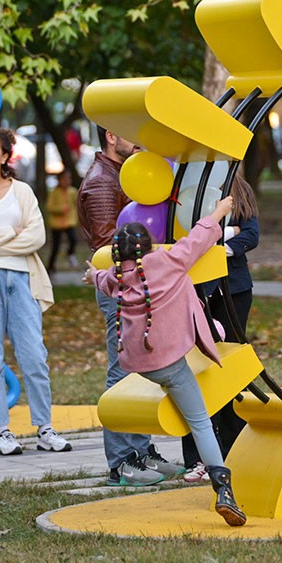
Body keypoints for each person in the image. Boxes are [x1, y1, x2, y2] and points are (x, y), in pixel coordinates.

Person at [91, 197, 247, 527]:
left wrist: (92, 273)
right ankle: (224, 490)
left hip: (140, 365)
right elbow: (199, 238)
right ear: (150, 248)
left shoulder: (117, 278)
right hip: (171, 364)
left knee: (176, 386)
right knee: (200, 421)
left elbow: (101, 279)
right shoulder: (167, 262)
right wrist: (219, 210)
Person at [0, 126, 71, 456]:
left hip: (23, 282)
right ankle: (2, 432)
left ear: (6, 155)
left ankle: (45, 427)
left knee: (34, 356)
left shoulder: (22, 192)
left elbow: (36, 237)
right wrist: (9, 232)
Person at [77, 126, 175, 485]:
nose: (138, 138)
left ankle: (141, 451)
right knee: (122, 373)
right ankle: (121, 461)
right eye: (128, 132)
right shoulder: (103, 182)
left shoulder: (127, 173)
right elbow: (107, 245)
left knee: (140, 370)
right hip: (119, 286)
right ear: (111, 137)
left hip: (135, 284)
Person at [183, 175, 260, 483]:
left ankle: (233, 446)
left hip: (235, 289)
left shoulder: (238, 188)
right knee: (197, 370)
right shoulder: (192, 188)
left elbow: (251, 235)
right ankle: (197, 456)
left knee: (228, 367)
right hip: (198, 291)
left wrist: (218, 245)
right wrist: (229, 233)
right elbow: (186, 239)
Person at [45, 170, 79, 272]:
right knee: (55, 246)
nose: (67, 181)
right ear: (59, 180)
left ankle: (70, 253)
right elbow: (49, 207)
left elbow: (76, 204)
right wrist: (61, 209)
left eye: (68, 179)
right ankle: (51, 267)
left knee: (73, 239)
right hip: (57, 224)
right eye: (64, 179)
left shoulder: (72, 191)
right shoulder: (54, 192)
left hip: (69, 222)